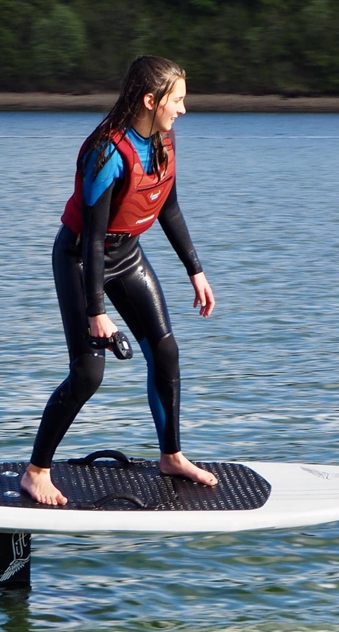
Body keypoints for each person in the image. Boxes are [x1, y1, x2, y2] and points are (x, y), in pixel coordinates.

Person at [20, 55, 217, 505]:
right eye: (177, 100)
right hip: (80, 259)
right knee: (89, 372)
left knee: (165, 351)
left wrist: (196, 270)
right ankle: (36, 472)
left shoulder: (163, 139)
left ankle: (172, 455)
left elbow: (168, 207)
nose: (183, 109)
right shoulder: (106, 151)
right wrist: (97, 312)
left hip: (127, 256)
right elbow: (91, 239)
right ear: (150, 100)